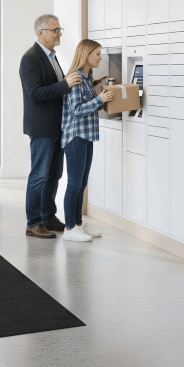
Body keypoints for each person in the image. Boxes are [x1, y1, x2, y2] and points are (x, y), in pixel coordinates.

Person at [20, 15, 82, 239]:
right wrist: (65, 84)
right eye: (55, 30)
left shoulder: (52, 57)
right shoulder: (30, 58)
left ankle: (48, 216)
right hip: (42, 127)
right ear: (41, 33)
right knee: (39, 175)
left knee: (54, 174)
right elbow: (35, 93)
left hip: (57, 126)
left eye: (59, 30)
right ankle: (33, 222)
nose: (59, 34)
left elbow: (56, 89)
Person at [60, 39, 113, 242]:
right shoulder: (76, 78)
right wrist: (100, 99)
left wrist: (101, 96)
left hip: (86, 136)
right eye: (97, 54)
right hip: (76, 137)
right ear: (87, 55)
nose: (100, 57)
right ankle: (69, 229)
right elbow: (76, 110)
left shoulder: (87, 78)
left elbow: (87, 106)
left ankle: (78, 225)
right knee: (74, 184)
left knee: (81, 183)